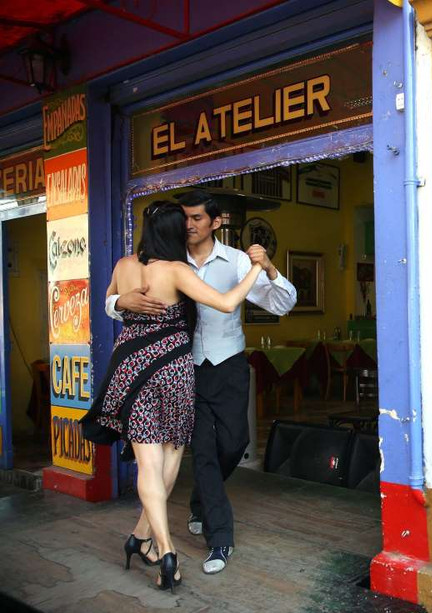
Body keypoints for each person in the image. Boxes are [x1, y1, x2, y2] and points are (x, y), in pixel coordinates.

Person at [107, 189, 297, 575]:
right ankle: (220, 538)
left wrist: (270, 269)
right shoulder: (169, 263)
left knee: (234, 443)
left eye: (196, 218)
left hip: (226, 364)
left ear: (215, 222)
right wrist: (119, 302)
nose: (190, 225)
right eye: (185, 218)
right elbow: (114, 303)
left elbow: (282, 304)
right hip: (179, 370)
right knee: (204, 453)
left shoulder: (238, 260)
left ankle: (186, 509)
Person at [83, 200, 266, 592]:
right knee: (168, 460)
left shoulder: (122, 265)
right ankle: (166, 550)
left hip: (130, 369)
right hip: (170, 372)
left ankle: (143, 539)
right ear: (172, 234)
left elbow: (106, 303)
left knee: (148, 465)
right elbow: (228, 302)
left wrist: (120, 301)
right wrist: (256, 268)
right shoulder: (176, 271)